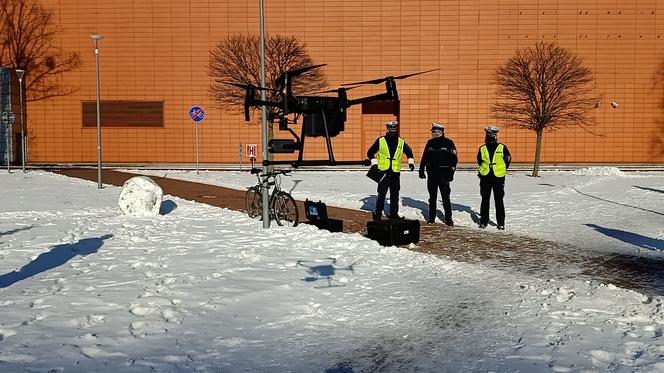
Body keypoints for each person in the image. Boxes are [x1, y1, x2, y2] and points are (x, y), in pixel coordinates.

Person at [367, 120, 415, 220]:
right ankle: (377, 214)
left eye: (394, 128)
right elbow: (370, 152)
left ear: (396, 128)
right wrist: (374, 164)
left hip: (395, 173)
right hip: (383, 172)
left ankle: (394, 215)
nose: (393, 130)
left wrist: (411, 163)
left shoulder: (401, 141)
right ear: (387, 129)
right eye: (391, 128)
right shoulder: (381, 140)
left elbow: (409, 152)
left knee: (395, 195)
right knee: (382, 194)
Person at [419, 122, 457, 225]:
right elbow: (425, 157)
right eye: (433, 132)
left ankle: (448, 219)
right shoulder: (430, 143)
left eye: (434, 132)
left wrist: (451, 173)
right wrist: (421, 170)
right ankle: (431, 218)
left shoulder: (449, 143)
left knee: (445, 197)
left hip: (444, 174)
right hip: (432, 174)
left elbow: (454, 159)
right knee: (432, 197)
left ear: (440, 132)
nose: (432, 133)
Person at [477, 125, 511, 230]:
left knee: (499, 200)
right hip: (485, 177)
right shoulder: (482, 148)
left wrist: (502, 170)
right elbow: (479, 161)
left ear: (496, 135)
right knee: (485, 200)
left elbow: (508, 159)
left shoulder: (502, 147)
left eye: (493, 134)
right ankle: (483, 221)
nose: (491, 136)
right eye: (489, 134)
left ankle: (501, 223)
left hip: (498, 177)